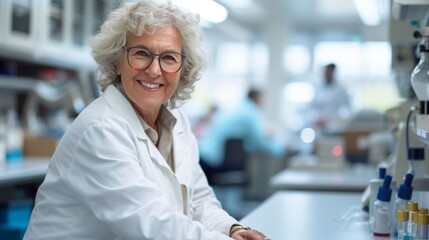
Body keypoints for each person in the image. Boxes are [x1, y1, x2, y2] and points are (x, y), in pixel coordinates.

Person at [23, 1, 269, 240]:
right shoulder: (100, 130)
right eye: (141, 53)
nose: (154, 70)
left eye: (169, 58)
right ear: (117, 62)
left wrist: (232, 229)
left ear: (183, 69)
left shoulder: (177, 122)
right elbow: (152, 225)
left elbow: (199, 200)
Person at [199, 88, 285, 172]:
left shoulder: (238, 107)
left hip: (203, 154)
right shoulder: (250, 112)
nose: (264, 103)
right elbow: (260, 143)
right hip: (214, 160)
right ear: (256, 98)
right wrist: (281, 148)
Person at [310, 63, 351, 133]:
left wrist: (332, 119)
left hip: (333, 128)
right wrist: (316, 118)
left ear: (333, 72)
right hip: (317, 127)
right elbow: (312, 107)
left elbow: (347, 109)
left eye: (330, 72)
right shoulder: (318, 88)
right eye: (326, 71)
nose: (327, 74)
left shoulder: (341, 90)